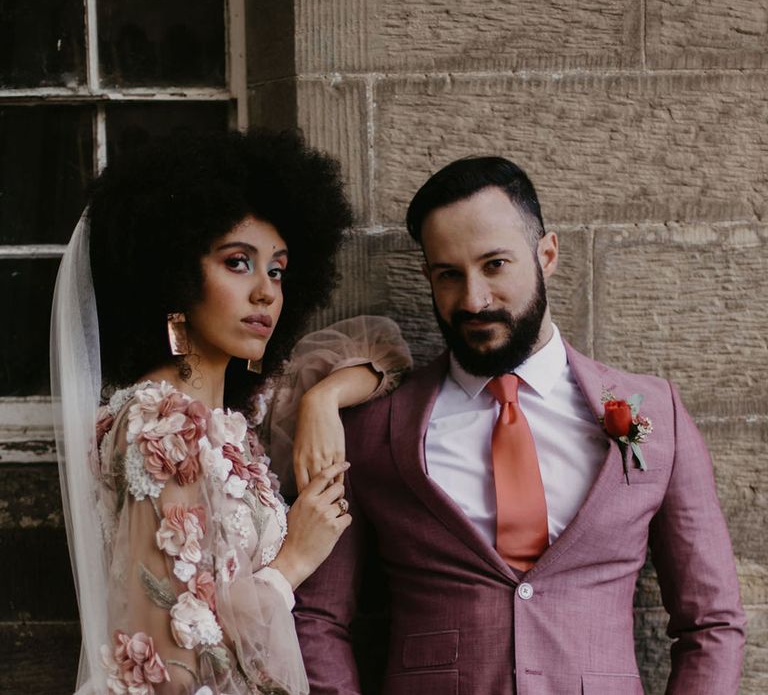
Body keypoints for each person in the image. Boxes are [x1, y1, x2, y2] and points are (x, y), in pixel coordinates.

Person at [293, 156, 747, 694]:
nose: (473, 299)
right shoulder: (376, 430)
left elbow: (712, 621)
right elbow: (317, 618)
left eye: (495, 265)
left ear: (547, 254)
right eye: (448, 275)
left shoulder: (657, 412)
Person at [50, 129, 411, 695]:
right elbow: (168, 664)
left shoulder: (230, 416)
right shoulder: (159, 422)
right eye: (238, 263)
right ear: (174, 275)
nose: (266, 292)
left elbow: (388, 348)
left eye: (278, 269)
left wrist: (322, 400)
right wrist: (293, 562)